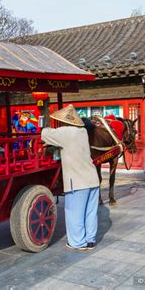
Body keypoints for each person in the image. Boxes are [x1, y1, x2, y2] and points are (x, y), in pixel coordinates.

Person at [41, 104, 100, 250]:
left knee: (75, 212)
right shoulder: (82, 131)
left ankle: (77, 243)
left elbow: (44, 134)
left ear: (65, 121)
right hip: (92, 178)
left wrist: (44, 121)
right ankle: (90, 240)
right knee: (90, 212)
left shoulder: (65, 132)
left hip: (78, 181)